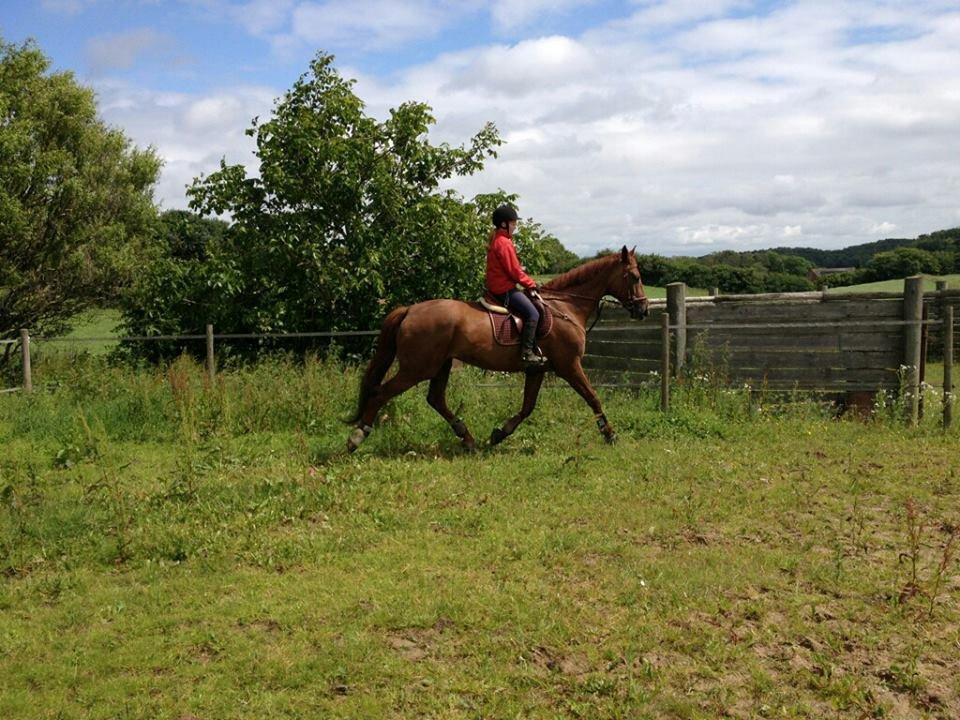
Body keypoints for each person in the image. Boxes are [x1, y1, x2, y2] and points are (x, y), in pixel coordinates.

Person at [485, 205, 547, 367]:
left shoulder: (498, 240)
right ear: (503, 224)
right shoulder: (504, 243)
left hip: (497, 287)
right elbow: (514, 271)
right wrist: (531, 284)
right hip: (504, 289)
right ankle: (527, 353)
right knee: (533, 313)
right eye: (513, 223)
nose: (515, 227)